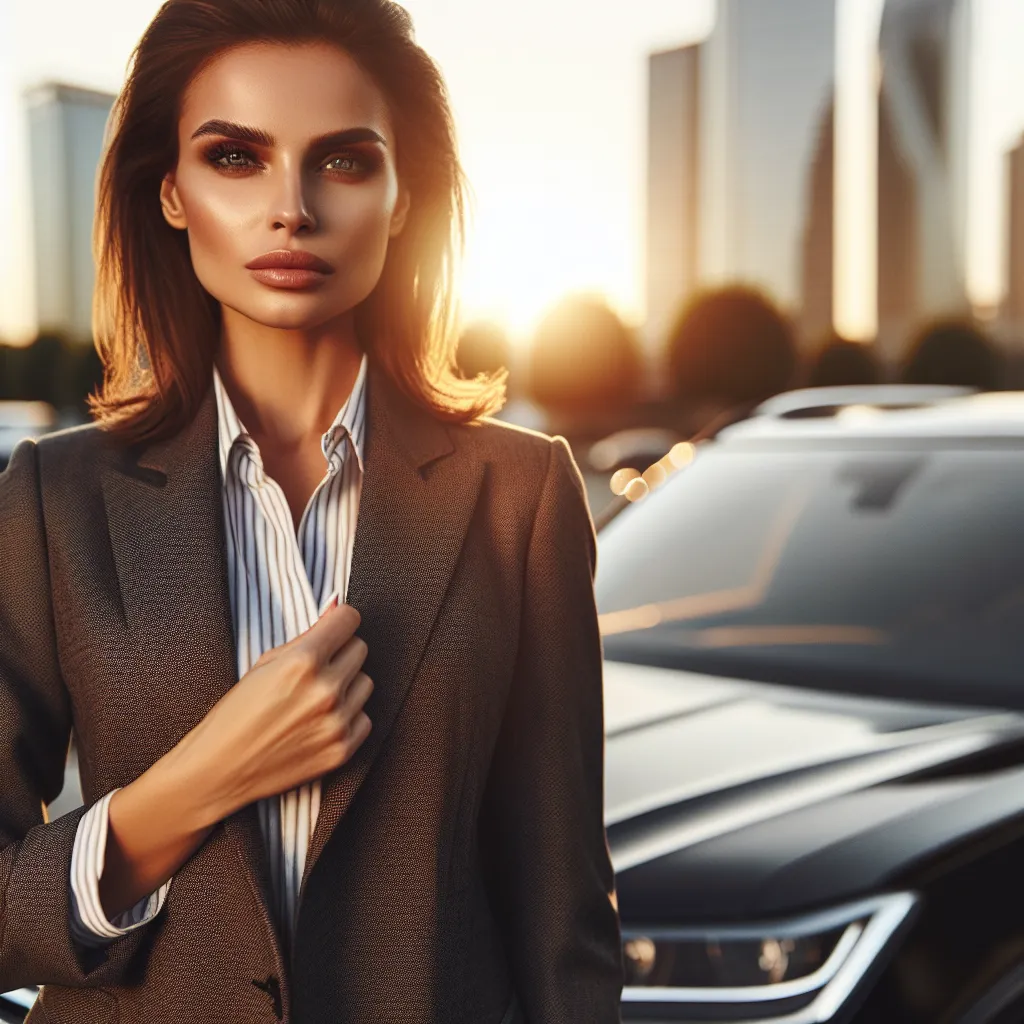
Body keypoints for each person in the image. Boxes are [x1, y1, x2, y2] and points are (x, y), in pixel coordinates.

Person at [0, 2, 624, 1022]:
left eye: (341, 161)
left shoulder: (523, 496)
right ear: (169, 191)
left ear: (402, 193)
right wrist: (191, 784)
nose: (290, 207)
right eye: (236, 158)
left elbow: (562, 912)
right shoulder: (51, 501)